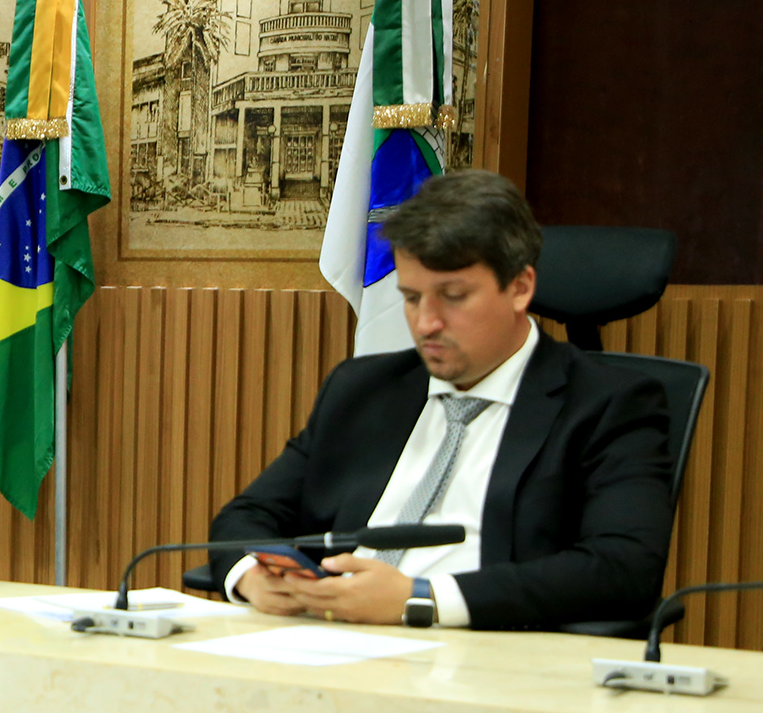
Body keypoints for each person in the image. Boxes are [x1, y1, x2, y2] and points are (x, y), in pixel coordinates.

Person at [209, 169, 674, 631]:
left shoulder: (609, 404)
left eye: (452, 297)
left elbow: (624, 567)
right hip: (325, 632)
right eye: (412, 298)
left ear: (519, 287)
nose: (426, 323)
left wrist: (421, 598)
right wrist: (252, 575)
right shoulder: (361, 389)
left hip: (482, 643)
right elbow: (248, 515)